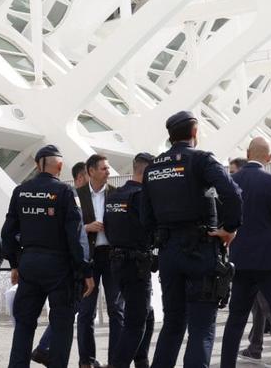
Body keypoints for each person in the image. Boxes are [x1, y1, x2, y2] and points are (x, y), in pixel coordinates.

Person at [141, 111, 241, 368]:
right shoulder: (201, 160)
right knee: (201, 327)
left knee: (173, 323)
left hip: (168, 252)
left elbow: (144, 215)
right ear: (195, 133)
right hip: (200, 249)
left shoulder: (153, 167)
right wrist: (229, 228)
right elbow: (232, 192)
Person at [2, 144, 94, 368]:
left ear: (37, 164)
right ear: (60, 166)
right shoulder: (65, 192)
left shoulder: (20, 191)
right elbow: (76, 235)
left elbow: (8, 232)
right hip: (59, 268)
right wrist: (86, 271)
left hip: (29, 264)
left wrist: (15, 264)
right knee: (62, 325)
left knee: (24, 324)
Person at [219, 137, 271, 368]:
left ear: (247, 153)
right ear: (269, 158)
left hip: (240, 260)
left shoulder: (231, 180)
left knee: (236, 319)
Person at [104, 152, 156, 368]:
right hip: (136, 264)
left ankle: (141, 359)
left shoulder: (114, 196)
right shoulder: (142, 196)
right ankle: (118, 364)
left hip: (117, 263)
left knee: (147, 314)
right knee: (136, 322)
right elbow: (150, 227)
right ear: (147, 171)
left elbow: (108, 227)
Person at [76, 153, 123, 368]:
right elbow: (69, 228)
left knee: (116, 311)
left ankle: (115, 362)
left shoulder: (117, 194)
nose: (108, 172)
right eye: (104, 168)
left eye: (108, 168)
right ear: (91, 171)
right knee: (86, 313)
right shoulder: (77, 196)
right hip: (89, 260)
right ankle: (86, 361)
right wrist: (86, 228)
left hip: (113, 257)